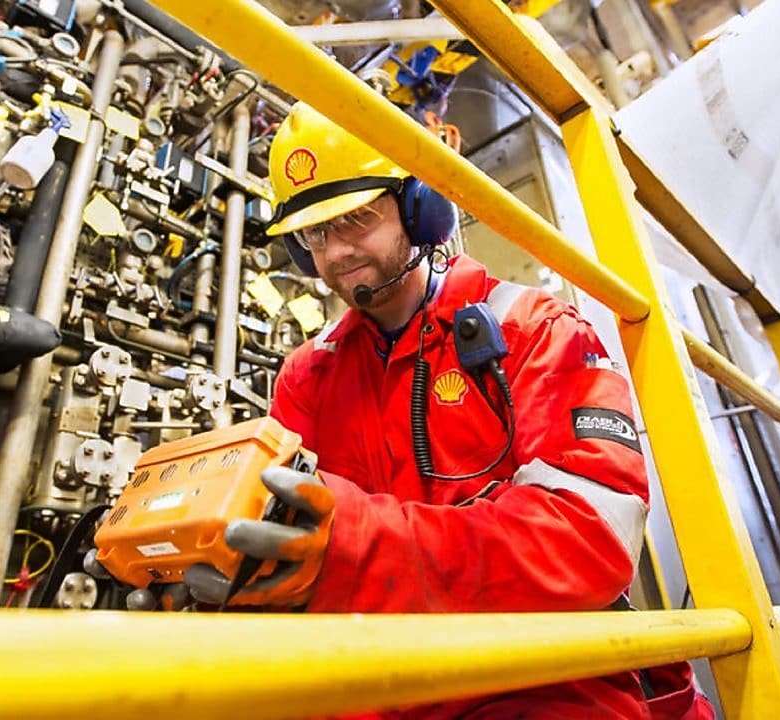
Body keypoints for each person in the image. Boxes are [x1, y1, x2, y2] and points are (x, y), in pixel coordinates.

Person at [180, 102, 713, 719]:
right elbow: (287, 541)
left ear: (420, 206)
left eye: (356, 217)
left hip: (540, 680)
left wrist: (352, 549)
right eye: (314, 235)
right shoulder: (308, 374)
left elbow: (588, 539)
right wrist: (213, 583)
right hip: (378, 687)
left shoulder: (531, 326)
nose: (335, 253)